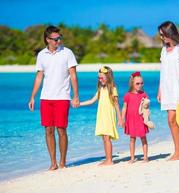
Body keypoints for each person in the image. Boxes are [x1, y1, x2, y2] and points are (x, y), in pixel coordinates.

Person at [28, 25, 80, 170]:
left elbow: (73, 76)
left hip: (62, 97)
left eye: (59, 38)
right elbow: (39, 77)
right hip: (46, 98)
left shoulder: (67, 53)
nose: (58, 41)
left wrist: (75, 96)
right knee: (48, 130)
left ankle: (63, 162)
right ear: (47, 40)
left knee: (61, 129)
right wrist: (32, 97)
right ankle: (53, 163)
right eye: (55, 39)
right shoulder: (41, 55)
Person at [157, 21, 179, 161]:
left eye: (163, 35)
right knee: (172, 121)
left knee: (172, 119)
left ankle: (178, 152)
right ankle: (178, 151)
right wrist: (160, 89)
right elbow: (163, 71)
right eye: (160, 35)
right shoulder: (164, 50)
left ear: (170, 33)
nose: (162, 38)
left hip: (177, 89)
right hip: (166, 89)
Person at [79, 66, 122, 165]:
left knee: (107, 137)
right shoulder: (100, 89)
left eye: (102, 77)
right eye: (99, 78)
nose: (100, 79)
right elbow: (92, 101)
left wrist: (120, 118)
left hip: (108, 115)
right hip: (102, 115)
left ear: (108, 77)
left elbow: (116, 104)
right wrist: (79, 104)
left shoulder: (113, 89)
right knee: (104, 137)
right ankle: (108, 158)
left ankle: (109, 160)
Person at [122, 72, 150, 163]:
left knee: (143, 138)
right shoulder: (127, 95)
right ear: (132, 83)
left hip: (141, 120)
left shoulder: (144, 94)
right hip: (131, 120)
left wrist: (147, 119)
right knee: (132, 138)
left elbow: (146, 108)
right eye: (137, 83)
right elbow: (124, 107)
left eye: (142, 83)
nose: (140, 85)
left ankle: (145, 157)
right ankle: (132, 158)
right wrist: (122, 119)